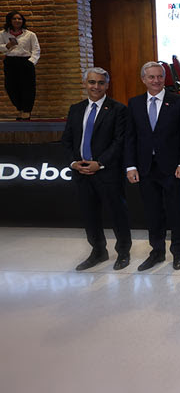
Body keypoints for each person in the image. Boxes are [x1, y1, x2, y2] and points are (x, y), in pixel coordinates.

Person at [61, 67, 131, 270]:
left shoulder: (118, 109)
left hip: (107, 172)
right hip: (81, 172)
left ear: (107, 85)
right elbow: (66, 140)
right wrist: (74, 163)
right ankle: (98, 251)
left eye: (101, 83)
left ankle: (123, 252)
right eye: (92, 82)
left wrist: (99, 163)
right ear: (85, 84)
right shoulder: (75, 108)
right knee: (89, 214)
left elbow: (120, 142)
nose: (96, 86)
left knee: (118, 213)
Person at [124, 61, 180, 271]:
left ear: (165, 79)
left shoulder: (179, 102)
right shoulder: (134, 103)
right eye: (151, 77)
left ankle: (178, 253)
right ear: (143, 79)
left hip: (172, 168)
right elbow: (130, 137)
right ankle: (157, 252)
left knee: (175, 212)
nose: (156, 81)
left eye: (160, 77)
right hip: (145, 167)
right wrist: (130, 166)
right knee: (153, 212)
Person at [0, 11, 40, 120]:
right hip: (10, 62)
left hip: (26, 62)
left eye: (19, 19)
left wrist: (31, 62)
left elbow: (36, 50)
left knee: (28, 88)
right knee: (11, 87)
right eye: (14, 19)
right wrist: (7, 46)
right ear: (10, 21)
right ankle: (20, 108)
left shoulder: (30, 34)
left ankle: (26, 111)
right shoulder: (3, 34)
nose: (17, 21)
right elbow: (0, 47)